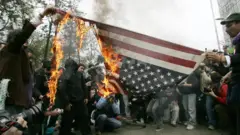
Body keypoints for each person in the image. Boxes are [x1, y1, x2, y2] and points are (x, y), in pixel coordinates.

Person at [0, 7, 57, 114]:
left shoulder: (17, 55)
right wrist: (42, 14)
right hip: (10, 102)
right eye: (24, 42)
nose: (26, 45)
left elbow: (27, 80)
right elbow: (23, 34)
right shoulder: (11, 49)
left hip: (19, 102)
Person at [206, 12, 240, 135]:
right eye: (225, 26)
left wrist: (223, 59)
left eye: (229, 25)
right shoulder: (236, 42)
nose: (226, 30)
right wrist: (230, 73)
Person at [57, 58, 91, 135]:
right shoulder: (64, 75)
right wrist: (66, 103)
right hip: (70, 104)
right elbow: (61, 89)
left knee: (84, 120)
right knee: (66, 123)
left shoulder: (79, 74)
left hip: (80, 102)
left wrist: (85, 97)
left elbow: (84, 86)